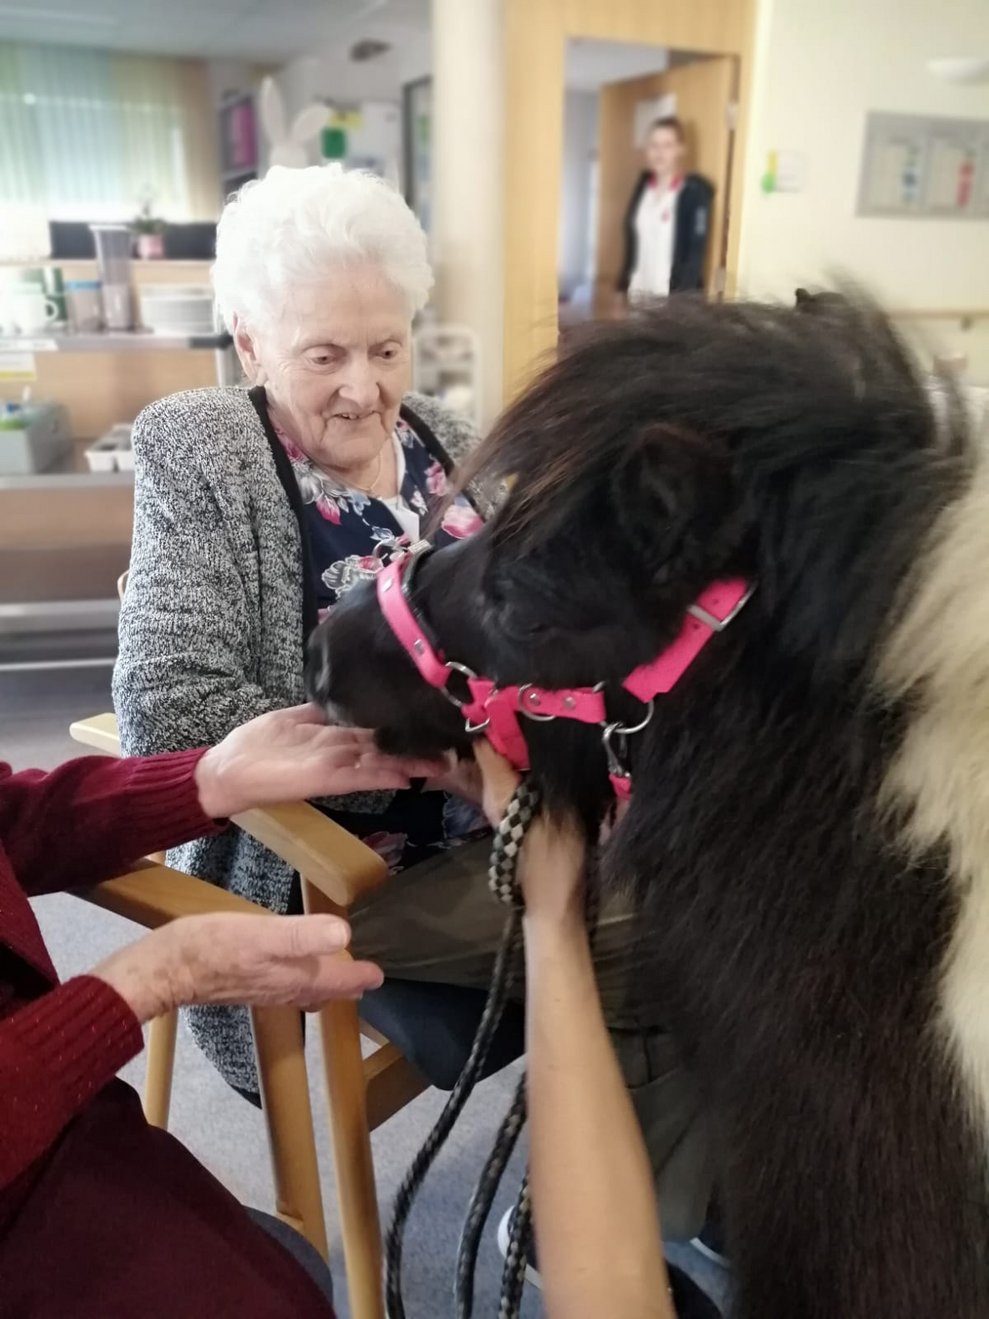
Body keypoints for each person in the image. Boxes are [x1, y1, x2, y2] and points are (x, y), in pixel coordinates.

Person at [114, 164, 712, 1244]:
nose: (363, 387)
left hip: (516, 811)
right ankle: (605, 1240)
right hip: (345, 866)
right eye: (323, 355)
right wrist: (421, 745)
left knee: (727, 847)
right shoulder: (203, 450)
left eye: (385, 348)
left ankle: (641, 1209)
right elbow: (169, 704)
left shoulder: (447, 433)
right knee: (698, 916)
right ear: (250, 344)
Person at [0, 704, 445, 1318]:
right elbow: (167, 697)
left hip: (61, 1121)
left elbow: (11, 819)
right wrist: (142, 985)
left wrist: (205, 779)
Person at [475, 742, 722, 1319]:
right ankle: (634, 1209)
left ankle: (683, 1189)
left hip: (520, 801)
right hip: (399, 855)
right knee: (682, 921)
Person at [615, 116, 714, 311]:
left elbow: (694, 255)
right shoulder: (643, 188)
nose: (659, 152)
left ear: (680, 149)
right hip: (638, 295)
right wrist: (622, 286)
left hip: (672, 303)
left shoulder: (694, 194)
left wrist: (681, 307)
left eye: (667, 145)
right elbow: (632, 240)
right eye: (653, 145)